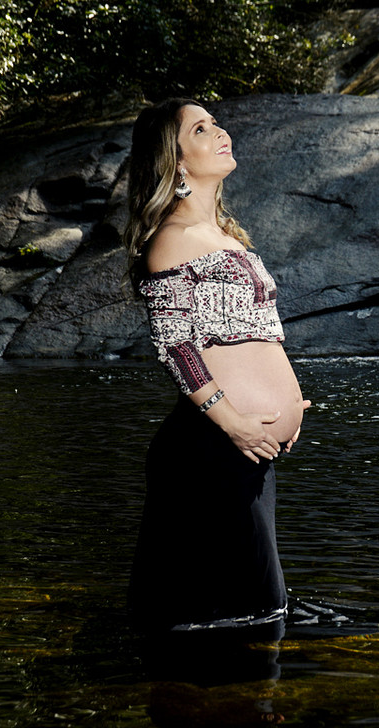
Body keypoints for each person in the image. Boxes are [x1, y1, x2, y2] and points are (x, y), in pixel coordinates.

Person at [123, 98, 310, 635]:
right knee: (232, 613)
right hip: (213, 447)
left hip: (246, 448)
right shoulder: (173, 240)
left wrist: (286, 406)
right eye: (202, 129)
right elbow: (176, 347)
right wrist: (235, 421)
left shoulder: (228, 239)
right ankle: (231, 710)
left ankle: (238, 710)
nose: (221, 131)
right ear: (177, 162)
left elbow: (252, 338)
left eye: (216, 122)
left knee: (251, 609)